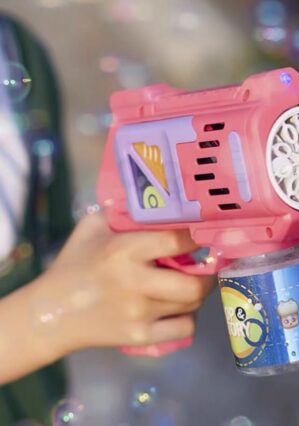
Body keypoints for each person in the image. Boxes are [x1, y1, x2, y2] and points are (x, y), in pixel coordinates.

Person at [0, 14, 213, 424]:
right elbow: (58, 297)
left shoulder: (19, 52)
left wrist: (127, 266)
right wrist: (56, 315)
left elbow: (48, 242)